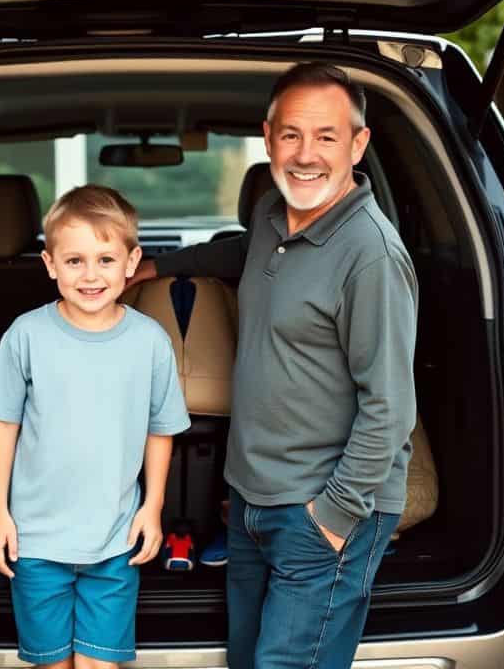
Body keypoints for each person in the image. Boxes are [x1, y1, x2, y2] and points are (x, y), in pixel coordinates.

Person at [133, 62, 419, 669]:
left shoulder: (370, 256)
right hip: (253, 495)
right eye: (292, 135)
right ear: (268, 138)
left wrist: (333, 519)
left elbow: (390, 408)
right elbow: (241, 250)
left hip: (324, 506)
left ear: (358, 144)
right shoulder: (271, 213)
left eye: (327, 136)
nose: (306, 155)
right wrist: (157, 268)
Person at [0, 185, 191, 669]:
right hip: (34, 542)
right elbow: (3, 426)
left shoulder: (150, 341)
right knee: (52, 663)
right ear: (50, 264)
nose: (90, 275)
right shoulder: (26, 335)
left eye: (105, 260)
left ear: (132, 262)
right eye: (74, 261)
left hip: (113, 542)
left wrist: (152, 507)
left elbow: (162, 431)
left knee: (100, 664)